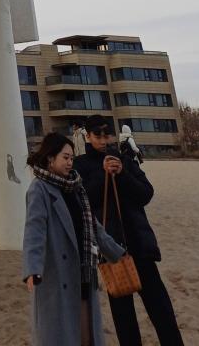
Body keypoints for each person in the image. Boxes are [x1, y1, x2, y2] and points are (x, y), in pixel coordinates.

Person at [74, 115, 183, 346]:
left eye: (106, 134)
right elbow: (83, 201)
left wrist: (122, 173)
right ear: (88, 136)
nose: (103, 140)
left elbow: (146, 194)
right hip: (112, 250)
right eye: (97, 135)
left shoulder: (124, 159)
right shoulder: (81, 165)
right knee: (124, 318)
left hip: (140, 245)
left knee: (162, 310)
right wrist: (103, 174)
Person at [23, 131, 125, 346]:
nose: (70, 162)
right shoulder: (39, 189)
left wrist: (118, 253)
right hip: (58, 275)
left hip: (83, 272)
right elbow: (35, 230)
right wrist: (33, 268)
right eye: (65, 157)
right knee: (63, 335)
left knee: (86, 335)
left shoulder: (76, 187)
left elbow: (94, 227)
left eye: (71, 157)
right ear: (51, 158)